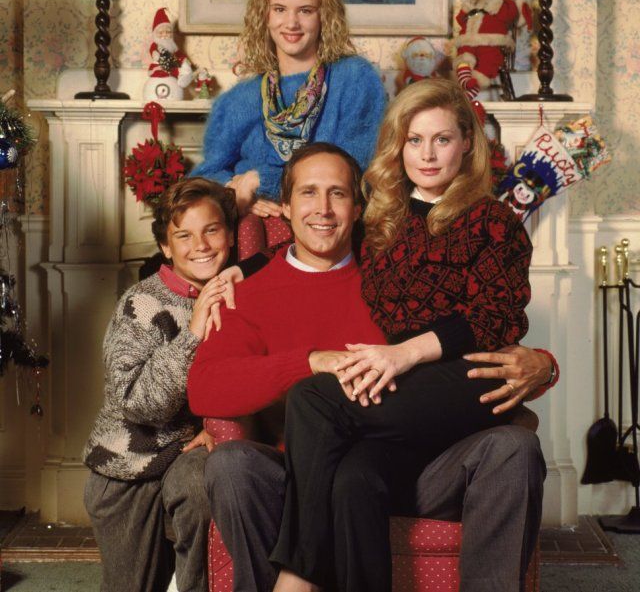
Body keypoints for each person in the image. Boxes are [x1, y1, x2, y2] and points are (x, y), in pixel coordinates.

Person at [187, 143, 556, 592]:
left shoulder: (395, 271)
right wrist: (306, 363)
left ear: (358, 208)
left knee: (513, 447)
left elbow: (477, 330)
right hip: (299, 477)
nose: (322, 209)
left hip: (416, 466)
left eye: (338, 194)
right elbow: (205, 387)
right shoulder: (247, 293)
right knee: (231, 465)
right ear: (284, 207)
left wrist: (544, 366)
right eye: (308, 193)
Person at [269, 80, 538, 591]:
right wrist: (241, 267)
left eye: (442, 139)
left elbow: (495, 316)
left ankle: (296, 575)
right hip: (406, 396)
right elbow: (316, 239)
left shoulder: (493, 220)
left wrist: (403, 354)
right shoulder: (382, 220)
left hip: (468, 380)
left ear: (466, 144)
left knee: (311, 397)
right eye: (415, 140)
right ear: (398, 146)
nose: (428, 154)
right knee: (353, 479)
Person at [83, 177, 242, 592]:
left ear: (229, 234)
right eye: (184, 236)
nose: (202, 245)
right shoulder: (143, 304)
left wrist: (216, 425)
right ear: (166, 248)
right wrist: (191, 334)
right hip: (126, 471)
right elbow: (137, 405)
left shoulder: (237, 293)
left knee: (199, 488)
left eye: (211, 230)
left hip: (182, 457)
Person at [190, 0, 386, 220]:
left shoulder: (355, 79)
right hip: (253, 225)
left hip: (332, 224)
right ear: (264, 16)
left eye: (305, 11)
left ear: (324, 16)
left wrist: (260, 181)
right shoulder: (238, 99)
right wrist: (236, 190)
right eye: (279, 9)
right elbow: (206, 174)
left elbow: (354, 169)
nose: (291, 23)